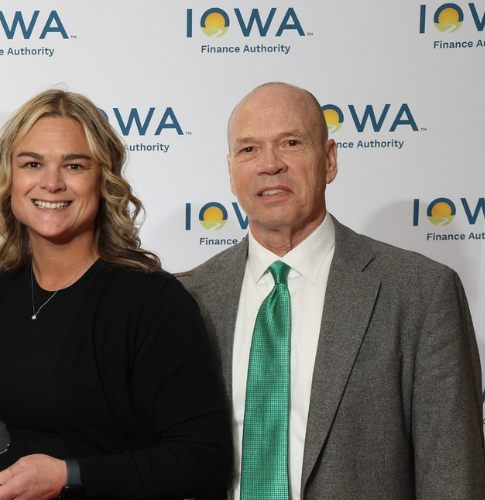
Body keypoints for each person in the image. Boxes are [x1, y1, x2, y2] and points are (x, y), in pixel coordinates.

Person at [182, 82, 485, 499]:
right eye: (249, 149)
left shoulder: (420, 291)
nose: (270, 165)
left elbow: (452, 474)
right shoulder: (188, 297)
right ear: (231, 173)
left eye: (291, 143)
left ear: (329, 160)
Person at [0, 89, 231, 500]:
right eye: (32, 163)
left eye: (74, 165)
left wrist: (69, 475)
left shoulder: (153, 301)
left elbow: (203, 459)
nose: (51, 183)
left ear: (104, 180)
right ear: (10, 179)